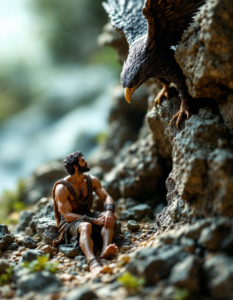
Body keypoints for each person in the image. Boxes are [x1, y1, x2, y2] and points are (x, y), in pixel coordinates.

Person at [52, 150, 118, 276]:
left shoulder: (92, 180)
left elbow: (106, 197)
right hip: (71, 222)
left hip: (87, 213)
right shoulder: (62, 188)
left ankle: (105, 249)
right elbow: (67, 215)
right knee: (85, 226)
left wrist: (109, 211)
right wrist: (93, 221)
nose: (86, 161)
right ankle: (92, 262)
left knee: (106, 218)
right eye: (83, 160)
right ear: (76, 167)